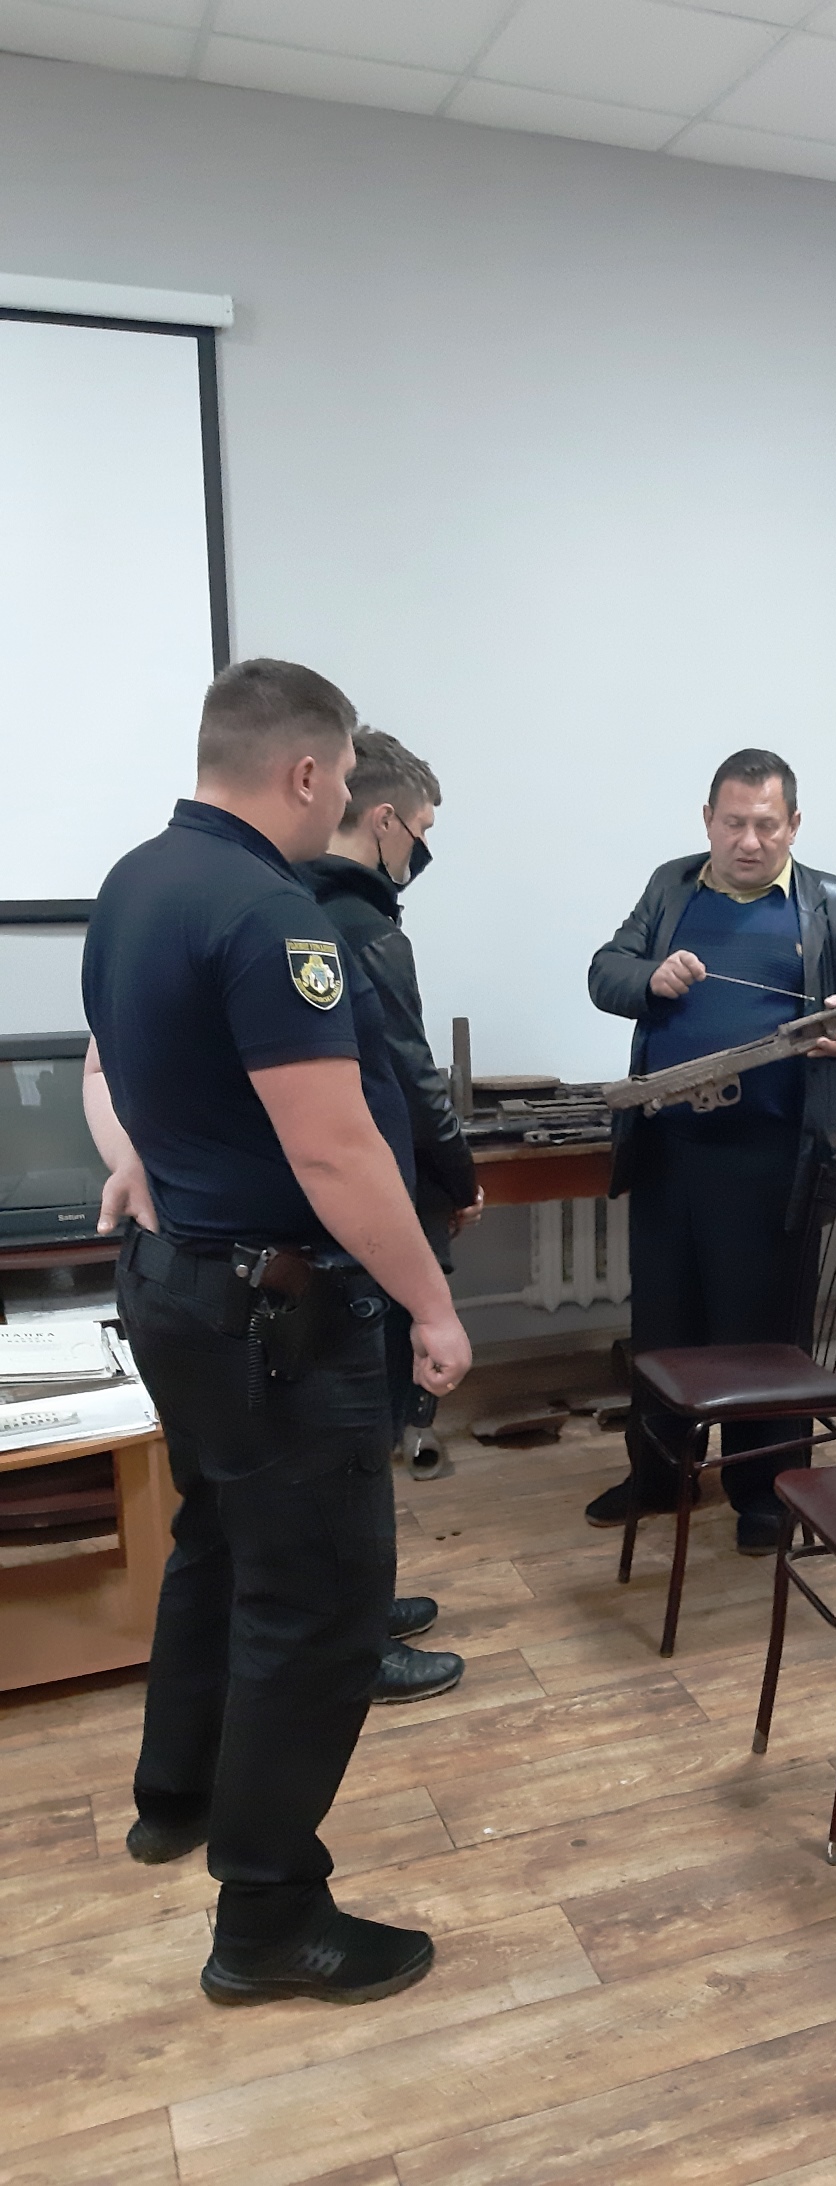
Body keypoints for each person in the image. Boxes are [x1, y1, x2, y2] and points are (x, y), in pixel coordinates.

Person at [82, 658, 474, 2007]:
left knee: (216, 1539)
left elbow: (114, 1069)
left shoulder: (135, 880)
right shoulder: (271, 913)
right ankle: (265, 1914)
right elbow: (335, 1149)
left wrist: (143, 1163)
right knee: (318, 1608)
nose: (346, 800)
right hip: (274, 1314)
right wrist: (430, 1303)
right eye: (344, 776)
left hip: (177, 1286)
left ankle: (177, 1793)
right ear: (307, 772)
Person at [584, 748, 836, 1552]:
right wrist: (651, 978)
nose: (748, 841)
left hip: (773, 1161)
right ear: (707, 821)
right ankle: (660, 1476)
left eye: (766, 824)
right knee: (664, 1324)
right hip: (668, 1151)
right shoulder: (669, 887)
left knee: (764, 1335)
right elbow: (605, 972)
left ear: (794, 824)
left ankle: (765, 1489)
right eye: (732, 823)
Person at [302, 726, 483, 1700]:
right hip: (370, 1209)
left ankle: (364, 1608)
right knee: (362, 1431)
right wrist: (460, 1175)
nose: (419, 853)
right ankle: (356, 1644)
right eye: (420, 833)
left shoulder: (288, 905)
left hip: (310, 1215)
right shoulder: (365, 928)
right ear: (381, 820)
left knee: (350, 1432)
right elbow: (413, 1078)